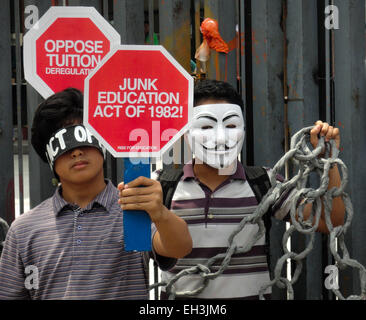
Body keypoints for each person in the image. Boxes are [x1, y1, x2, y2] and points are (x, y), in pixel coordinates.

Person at [143, 79, 345, 300]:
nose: (220, 138)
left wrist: (329, 161)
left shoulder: (264, 183)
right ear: (185, 132)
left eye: (230, 126)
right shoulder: (161, 187)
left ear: (243, 129)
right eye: (206, 126)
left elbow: (330, 221)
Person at [0, 88, 192, 300]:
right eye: (63, 144)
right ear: (50, 156)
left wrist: (160, 213)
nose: (76, 151)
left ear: (102, 141)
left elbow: (179, 248)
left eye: (83, 135)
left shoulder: (133, 213)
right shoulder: (24, 230)